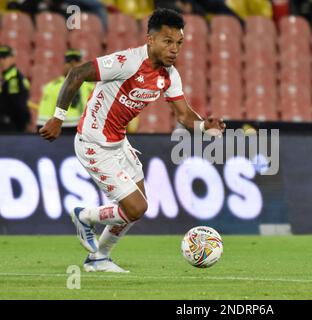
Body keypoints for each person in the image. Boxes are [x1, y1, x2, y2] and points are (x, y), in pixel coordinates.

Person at [39, 8, 226, 273]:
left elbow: (184, 116)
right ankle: (85, 216)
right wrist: (57, 118)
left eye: (179, 43)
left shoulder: (169, 75)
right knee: (136, 207)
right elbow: (77, 74)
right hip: (93, 142)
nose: (174, 49)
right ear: (151, 40)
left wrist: (207, 128)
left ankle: (98, 259)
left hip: (118, 143)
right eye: (168, 41)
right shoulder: (127, 62)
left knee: (134, 209)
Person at [37, 49, 95, 132]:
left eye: (77, 61)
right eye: (69, 62)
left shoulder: (90, 87)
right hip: (61, 129)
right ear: (63, 64)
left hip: (85, 130)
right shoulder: (52, 87)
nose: (73, 65)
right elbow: (44, 116)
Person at [0, 45, 31, 132]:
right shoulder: (7, 77)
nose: (1, 60)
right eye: (0, 57)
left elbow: (17, 104)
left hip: (11, 125)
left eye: (5, 57)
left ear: (12, 58)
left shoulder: (14, 79)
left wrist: (21, 124)